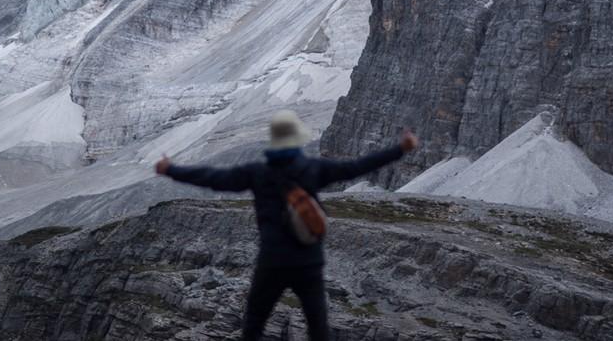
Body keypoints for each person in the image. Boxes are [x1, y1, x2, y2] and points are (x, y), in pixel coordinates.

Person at [155, 109, 418, 341]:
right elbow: (356, 167)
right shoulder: (314, 169)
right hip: (309, 262)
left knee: (253, 325)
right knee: (318, 329)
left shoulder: (257, 174)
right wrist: (400, 148)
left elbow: (211, 178)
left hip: (272, 262)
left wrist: (170, 169)